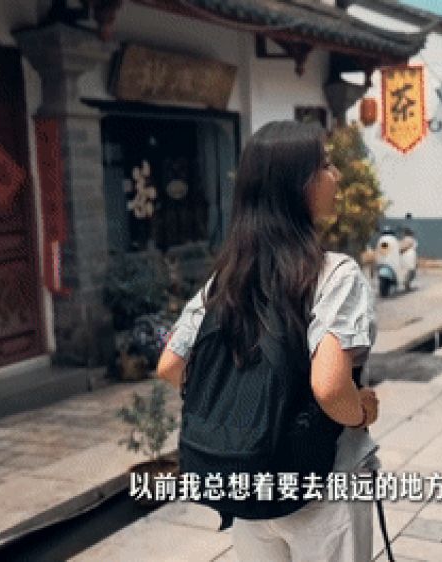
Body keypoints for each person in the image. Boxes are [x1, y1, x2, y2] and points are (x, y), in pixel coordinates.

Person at [156, 121, 380, 561]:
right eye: (326, 165)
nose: (336, 175)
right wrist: (361, 411)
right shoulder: (335, 275)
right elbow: (330, 386)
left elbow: (170, 365)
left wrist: (248, 405)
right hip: (324, 484)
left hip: (250, 479)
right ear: (297, 185)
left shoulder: (226, 278)